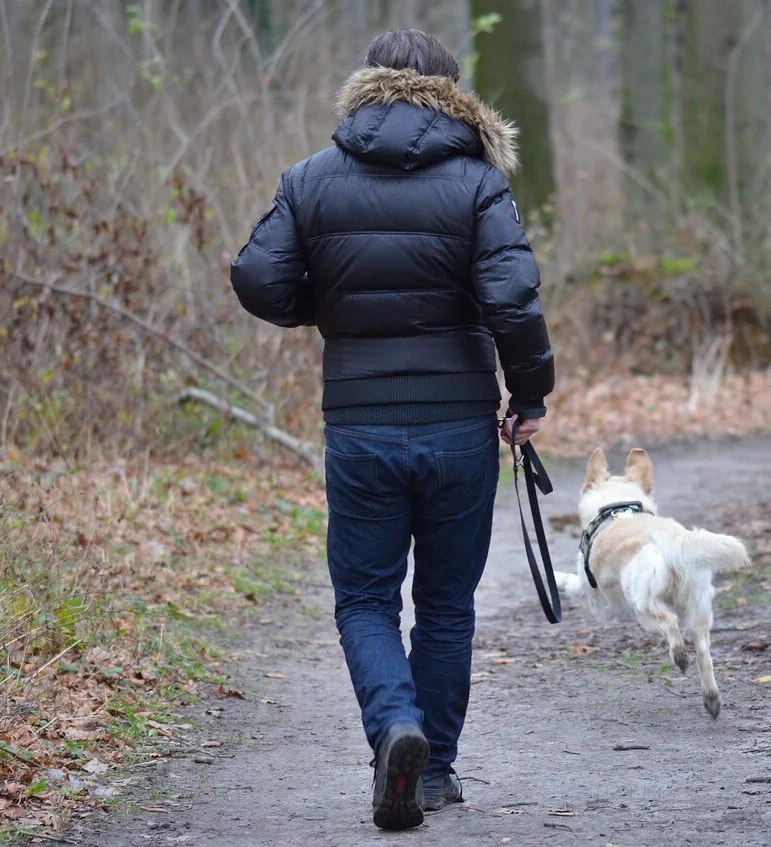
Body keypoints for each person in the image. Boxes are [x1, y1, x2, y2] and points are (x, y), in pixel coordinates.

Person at [230, 28, 553, 831]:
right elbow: (512, 299)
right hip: (457, 425)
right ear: (452, 93)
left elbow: (257, 277)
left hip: (361, 421)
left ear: (366, 85)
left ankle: (392, 729)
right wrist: (532, 393)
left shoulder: (311, 178)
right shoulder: (479, 183)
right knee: (446, 603)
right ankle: (434, 768)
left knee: (366, 598)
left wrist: (330, 307)